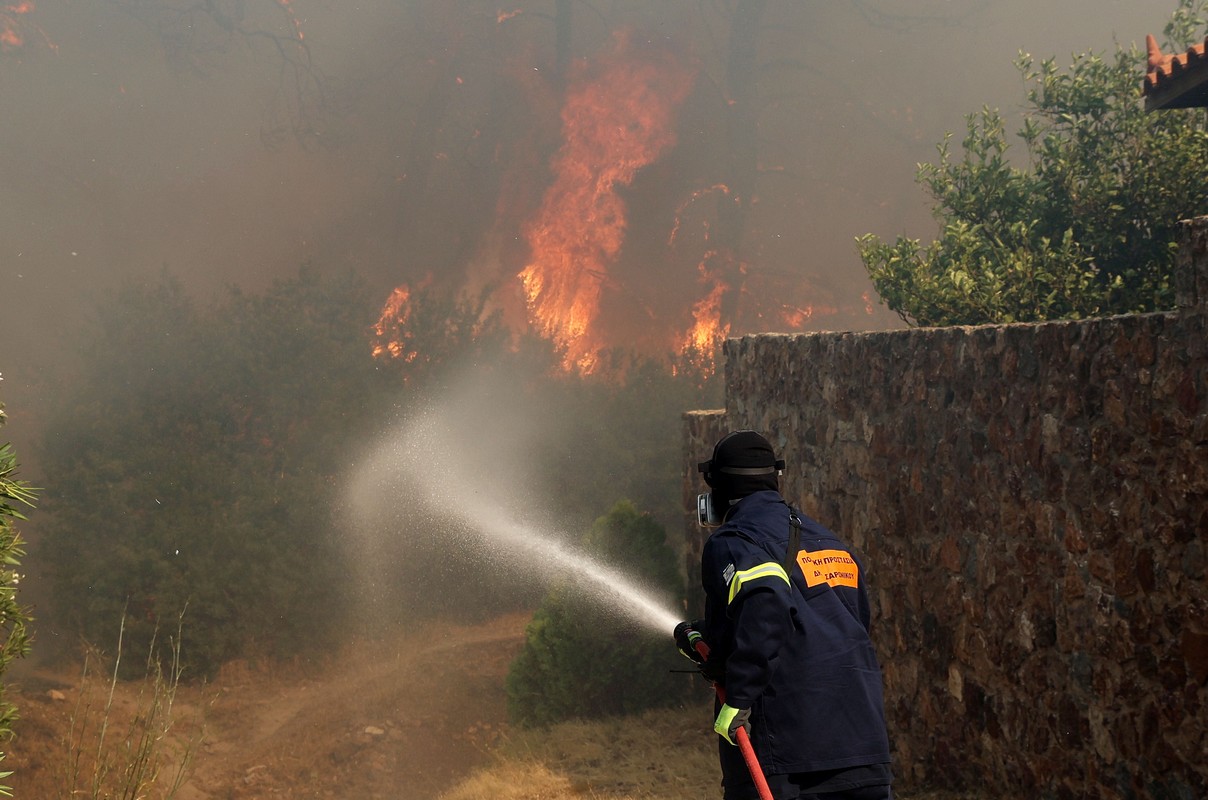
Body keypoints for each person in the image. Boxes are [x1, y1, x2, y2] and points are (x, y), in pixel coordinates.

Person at [675, 430, 893, 800]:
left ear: (717, 491)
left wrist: (740, 697)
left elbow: (766, 600)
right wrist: (707, 636)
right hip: (861, 749)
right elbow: (835, 624)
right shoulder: (831, 544)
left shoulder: (734, 540)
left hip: (785, 757)